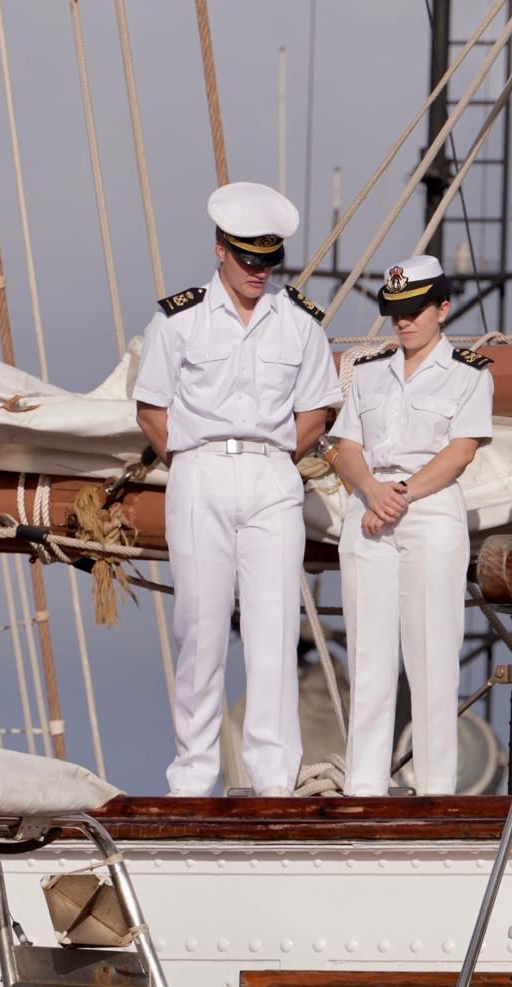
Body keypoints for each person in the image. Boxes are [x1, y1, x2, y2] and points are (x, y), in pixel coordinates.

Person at [134, 182, 340, 797]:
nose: (260, 271)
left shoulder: (299, 323)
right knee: (198, 625)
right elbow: (151, 409)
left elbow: (317, 411)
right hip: (198, 470)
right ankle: (193, 778)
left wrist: (274, 456)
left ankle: (273, 777)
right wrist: (194, 459)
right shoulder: (179, 318)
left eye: (270, 259)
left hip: (272, 472)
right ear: (221, 248)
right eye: (250, 257)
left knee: (274, 625)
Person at [326, 256, 493, 796]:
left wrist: (398, 495)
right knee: (369, 657)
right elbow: (345, 445)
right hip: (369, 504)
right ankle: (364, 787)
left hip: (429, 508)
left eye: (415, 310)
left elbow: (461, 449)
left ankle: (437, 789)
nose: (404, 321)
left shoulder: (469, 373)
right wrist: (372, 491)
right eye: (395, 311)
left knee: (432, 656)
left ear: (443, 309)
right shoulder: (371, 371)